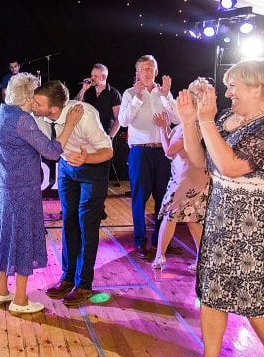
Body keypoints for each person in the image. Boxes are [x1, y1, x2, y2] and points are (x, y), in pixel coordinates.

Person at [175, 61, 264, 357]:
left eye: (233, 85)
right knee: (212, 291)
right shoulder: (227, 118)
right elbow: (202, 162)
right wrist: (189, 122)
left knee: (252, 297)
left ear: (257, 87)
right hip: (222, 212)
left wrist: (206, 121)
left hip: (256, 221)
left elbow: (230, 165)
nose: (228, 93)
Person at [0, 73, 82, 314]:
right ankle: (20, 300)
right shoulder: (22, 120)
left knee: (7, 235)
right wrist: (70, 125)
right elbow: (51, 152)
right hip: (22, 190)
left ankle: (1, 291)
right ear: (30, 96)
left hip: (4, 188)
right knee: (22, 238)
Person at [34, 81, 113, 305]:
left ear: (54, 109)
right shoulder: (44, 117)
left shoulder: (84, 116)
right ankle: (68, 278)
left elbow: (108, 150)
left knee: (87, 225)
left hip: (92, 167)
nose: (33, 105)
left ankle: (84, 284)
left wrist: (86, 158)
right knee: (69, 221)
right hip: (67, 168)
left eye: (38, 103)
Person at [117, 55, 177, 259]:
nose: (147, 72)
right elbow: (123, 122)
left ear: (156, 71)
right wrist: (138, 99)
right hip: (140, 152)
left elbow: (177, 119)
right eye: (143, 68)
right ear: (137, 73)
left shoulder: (164, 94)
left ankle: (161, 241)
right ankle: (140, 243)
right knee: (139, 199)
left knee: (164, 199)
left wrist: (167, 97)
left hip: (163, 151)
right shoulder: (129, 94)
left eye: (150, 68)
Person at [151, 108, 209, 270]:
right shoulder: (187, 126)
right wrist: (167, 128)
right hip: (189, 175)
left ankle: (159, 257)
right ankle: (201, 260)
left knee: (171, 216)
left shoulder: (191, 127)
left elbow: (169, 150)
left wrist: (163, 128)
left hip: (187, 177)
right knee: (193, 218)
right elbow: (171, 149)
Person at [75, 63, 121, 138]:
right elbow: (76, 105)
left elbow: (118, 119)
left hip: (104, 136)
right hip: (86, 136)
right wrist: (83, 89)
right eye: (92, 75)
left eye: (95, 76)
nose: (92, 78)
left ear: (103, 77)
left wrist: (110, 137)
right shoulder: (87, 91)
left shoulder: (114, 94)